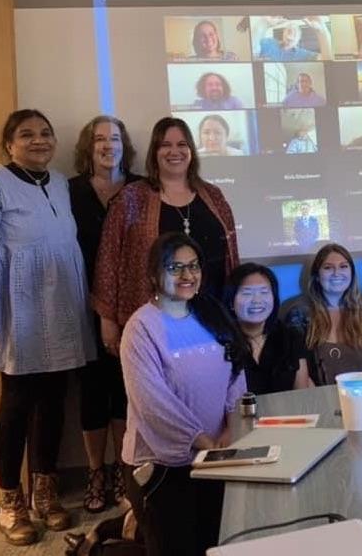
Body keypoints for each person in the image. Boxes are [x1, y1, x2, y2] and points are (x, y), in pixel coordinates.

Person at [0, 110, 95, 545]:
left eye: (46, 133)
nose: (39, 141)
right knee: (17, 402)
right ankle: (10, 501)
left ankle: (44, 492)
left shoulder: (61, 184)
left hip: (61, 308)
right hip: (17, 312)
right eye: (26, 135)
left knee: (53, 400)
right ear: (9, 145)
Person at [120, 233, 247, 555]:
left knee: (216, 542)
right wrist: (204, 442)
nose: (188, 276)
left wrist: (231, 429)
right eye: (175, 268)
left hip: (217, 456)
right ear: (153, 274)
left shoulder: (210, 312)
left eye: (193, 266)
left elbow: (236, 370)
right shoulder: (141, 327)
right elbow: (152, 403)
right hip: (164, 467)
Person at [93, 116, 239, 360]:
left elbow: (231, 254)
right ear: (155, 152)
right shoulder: (131, 198)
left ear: (191, 150)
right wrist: (107, 319)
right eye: (165, 145)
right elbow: (108, 259)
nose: (174, 151)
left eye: (182, 144)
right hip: (155, 319)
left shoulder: (213, 195)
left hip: (211, 315)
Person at [68, 115, 142, 514]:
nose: (107, 145)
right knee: (93, 389)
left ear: (124, 145)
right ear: (88, 146)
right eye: (99, 138)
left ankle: (120, 469)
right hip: (80, 305)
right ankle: (95, 471)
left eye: (114, 138)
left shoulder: (140, 188)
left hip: (130, 305)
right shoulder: (70, 191)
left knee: (125, 389)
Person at [286, 244, 362, 384]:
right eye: (328, 267)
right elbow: (300, 372)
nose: (337, 273)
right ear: (317, 276)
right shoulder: (299, 315)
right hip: (317, 400)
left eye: (343, 266)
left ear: (352, 273)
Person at [227, 262, 311, 394]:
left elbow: (302, 394)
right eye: (247, 293)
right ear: (231, 301)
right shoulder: (221, 343)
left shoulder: (291, 337)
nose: (256, 300)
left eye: (264, 292)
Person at [256, 16, 332, 61]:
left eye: (295, 33)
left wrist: (321, 31)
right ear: (283, 32)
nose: (291, 36)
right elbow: (252, 51)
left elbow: (327, 60)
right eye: (289, 31)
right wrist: (263, 24)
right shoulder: (269, 42)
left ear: (298, 39)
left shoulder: (304, 54)